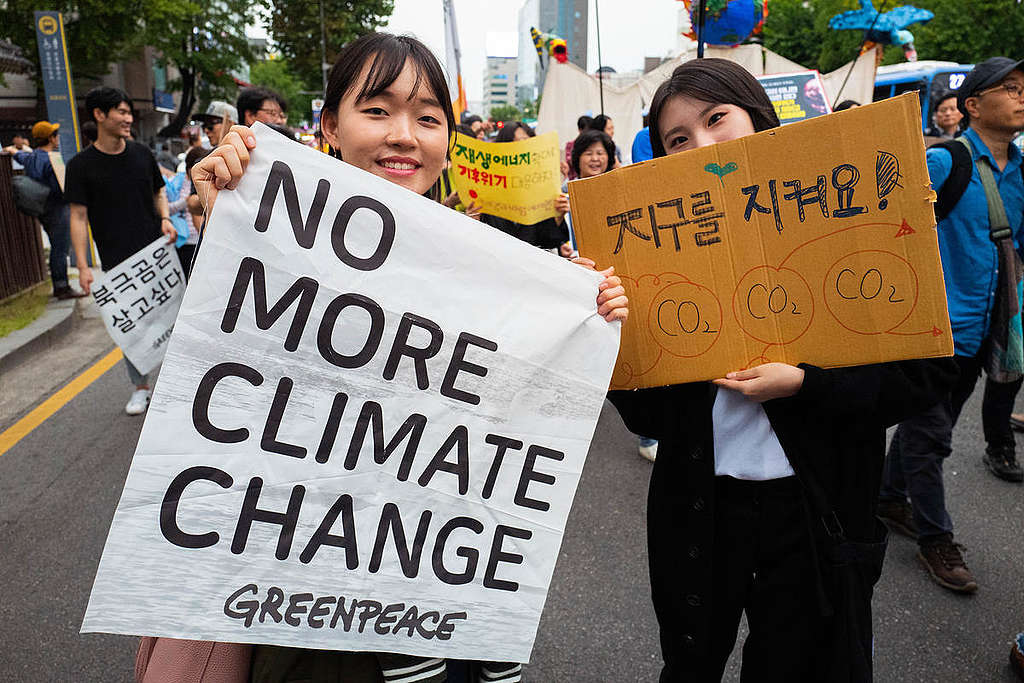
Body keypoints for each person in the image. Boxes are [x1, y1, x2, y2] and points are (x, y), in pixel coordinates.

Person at [192, 32, 628, 683]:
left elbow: (520, 406)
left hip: (455, 595)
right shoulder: (277, 234)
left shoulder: (484, 261)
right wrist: (221, 224)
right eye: (377, 109)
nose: (405, 134)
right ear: (330, 124)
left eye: (428, 118)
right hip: (320, 614)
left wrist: (587, 316)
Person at [604, 58, 956, 681]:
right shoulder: (654, 258)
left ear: (760, 120)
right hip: (701, 509)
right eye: (678, 140)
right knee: (691, 660)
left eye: (717, 120)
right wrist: (610, 336)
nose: (703, 147)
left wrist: (804, 382)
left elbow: (922, 378)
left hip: (814, 511)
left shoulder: (848, 227)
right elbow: (649, 411)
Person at [879, 58, 1024, 593]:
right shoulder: (944, 163)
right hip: (936, 332)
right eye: (1010, 88)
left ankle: (890, 499)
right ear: (971, 105)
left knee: (925, 426)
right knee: (929, 437)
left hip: (987, 333)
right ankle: (935, 539)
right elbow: (892, 230)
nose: (1021, 96)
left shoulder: (1022, 171)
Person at [65, 87, 176, 416]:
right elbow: (78, 216)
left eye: (129, 112)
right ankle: (140, 388)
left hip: (157, 255)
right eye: (121, 112)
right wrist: (84, 267)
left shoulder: (142, 154)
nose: (128, 118)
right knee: (132, 327)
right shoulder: (81, 166)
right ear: (99, 115)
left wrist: (166, 219)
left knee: (172, 316)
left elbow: (159, 191)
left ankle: (177, 383)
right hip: (117, 264)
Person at [3, 121, 85, 299]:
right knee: (60, 249)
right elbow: (62, 188)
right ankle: (62, 287)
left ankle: (60, 285)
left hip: (42, 208)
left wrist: (13, 151)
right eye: (56, 135)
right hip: (57, 207)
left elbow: (21, 157)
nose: (58, 138)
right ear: (50, 138)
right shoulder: (52, 159)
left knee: (56, 245)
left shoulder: (32, 157)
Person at [479, 121, 571, 255]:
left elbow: (548, 242)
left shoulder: (543, 188)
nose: (523, 149)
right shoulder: (486, 189)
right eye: (517, 143)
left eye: (528, 143)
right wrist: (473, 219)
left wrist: (558, 216)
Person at [564, 114, 593, 180]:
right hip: (575, 181)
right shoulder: (570, 145)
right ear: (580, 130)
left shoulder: (593, 145)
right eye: (587, 130)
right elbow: (572, 162)